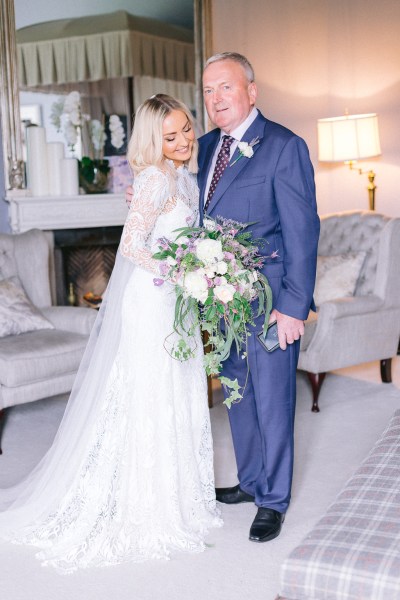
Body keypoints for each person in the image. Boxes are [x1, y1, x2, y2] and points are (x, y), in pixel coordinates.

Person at [0, 94, 222, 572]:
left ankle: (180, 497)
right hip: (152, 301)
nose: (184, 141)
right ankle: (145, 504)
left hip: (175, 302)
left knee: (179, 392)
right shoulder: (152, 180)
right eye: (171, 136)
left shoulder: (183, 178)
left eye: (187, 130)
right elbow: (132, 246)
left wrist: (195, 269)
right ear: (151, 140)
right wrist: (181, 269)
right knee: (148, 396)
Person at [199, 52, 319, 543]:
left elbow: (302, 230)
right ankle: (250, 482)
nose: (215, 99)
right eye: (207, 90)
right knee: (238, 396)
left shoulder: (284, 146)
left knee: (272, 400)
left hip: (271, 298)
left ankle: (273, 500)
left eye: (225, 87)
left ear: (252, 90)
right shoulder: (204, 146)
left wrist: (294, 306)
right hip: (221, 300)